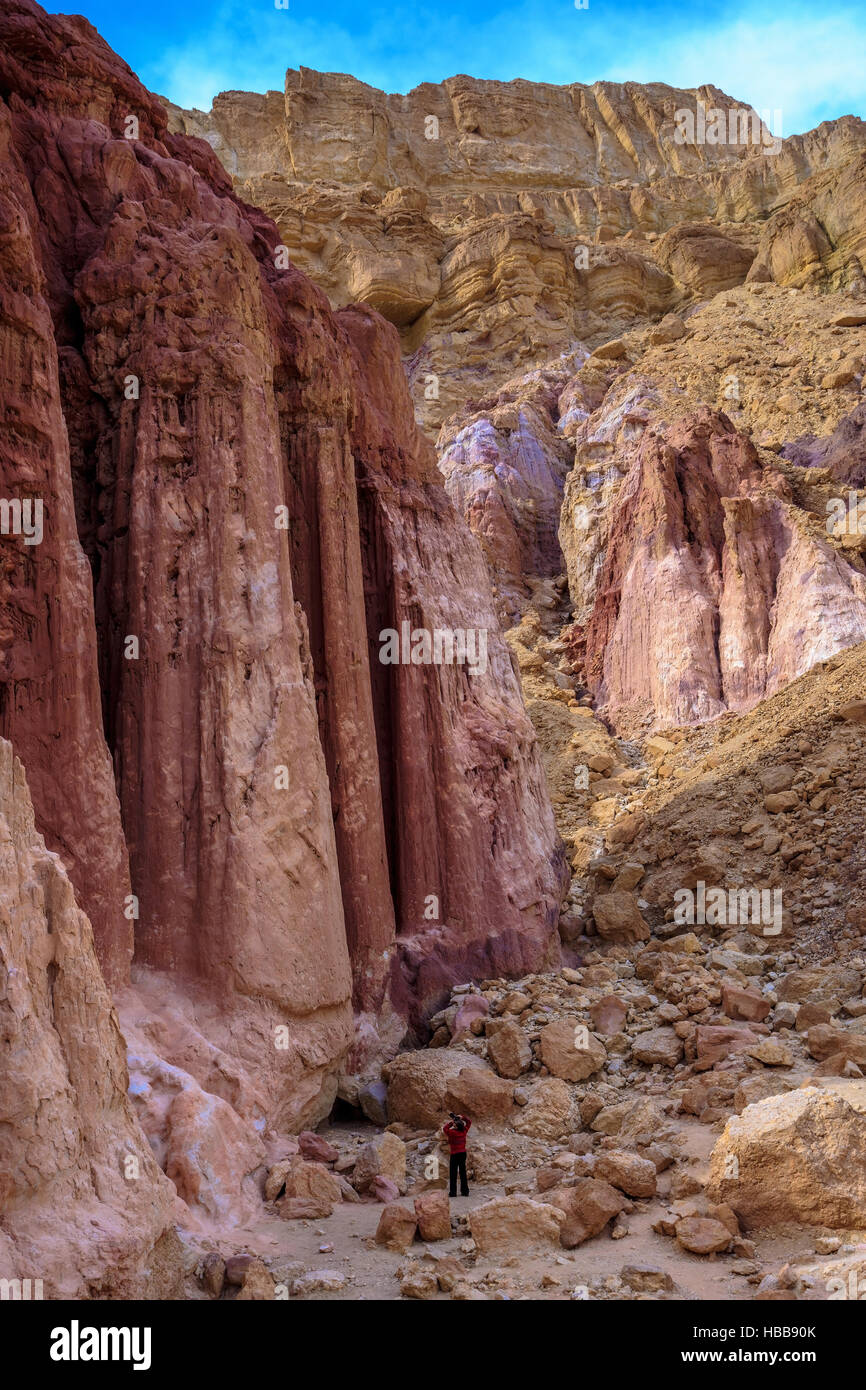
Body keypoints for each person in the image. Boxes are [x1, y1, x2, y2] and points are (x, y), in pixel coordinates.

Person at [443, 1111, 471, 1197]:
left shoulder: (452, 1133)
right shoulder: (464, 1131)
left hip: (454, 1154)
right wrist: (462, 1117)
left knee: (453, 1174)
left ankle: (453, 1192)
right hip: (462, 1153)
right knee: (463, 1173)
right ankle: (465, 1191)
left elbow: (445, 1129)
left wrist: (451, 1122)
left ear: (456, 1126)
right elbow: (469, 1122)